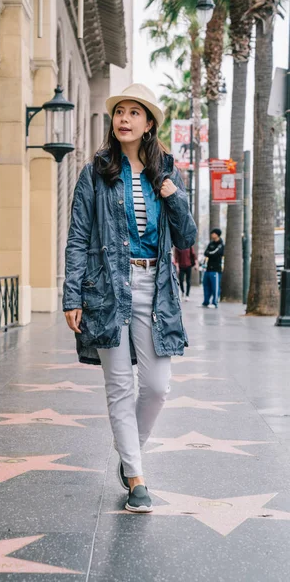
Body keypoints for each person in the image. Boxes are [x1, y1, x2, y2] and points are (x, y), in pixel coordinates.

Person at [63, 83, 197, 513]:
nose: (124, 118)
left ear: (149, 123)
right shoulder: (95, 173)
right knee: (120, 387)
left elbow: (188, 238)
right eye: (119, 111)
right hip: (106, 290)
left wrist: (172, 194)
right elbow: (78, 237)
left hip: (155, 290)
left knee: (157, 387)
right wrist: (72, 294)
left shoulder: (167, 173)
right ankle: (137, 477)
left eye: (133, 112)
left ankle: (127, 455)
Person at [202, 228, 225, 308]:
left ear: (217, 234)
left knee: (215, 287)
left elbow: (215, 253)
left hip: (215, 270)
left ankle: (214, 303)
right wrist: (209, 253)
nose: (212, 235)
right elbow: (206, 253)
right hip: (208, 268)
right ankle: (206, 302)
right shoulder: (211, 243)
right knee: (206, 285)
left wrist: (209, 253)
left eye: (213, 233)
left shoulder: (221, 244)